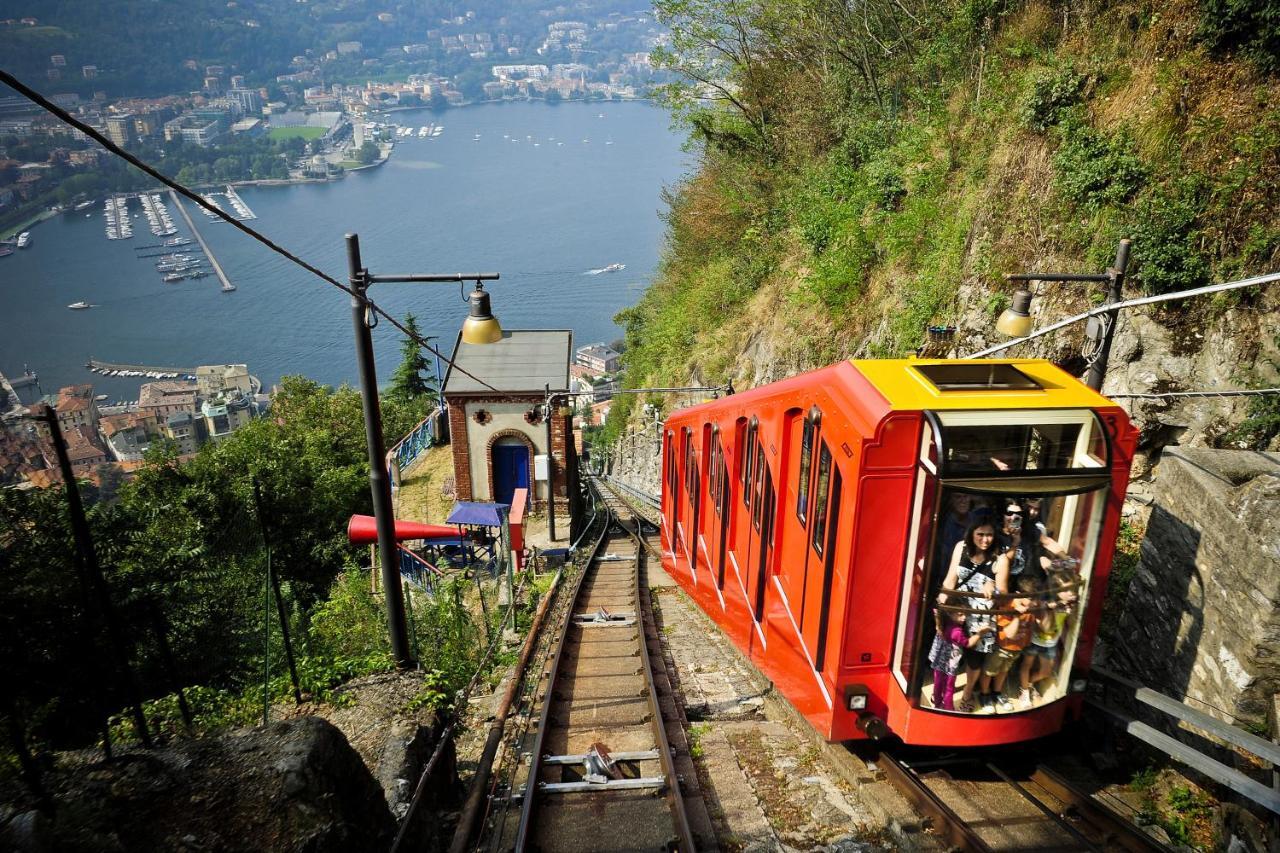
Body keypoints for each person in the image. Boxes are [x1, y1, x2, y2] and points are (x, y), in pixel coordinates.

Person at [937, 521, 999, 713]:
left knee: (974, 660)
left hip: (980, 616)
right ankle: (943, 693)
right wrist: (943, 598)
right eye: (980, 534)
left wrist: (993, 586)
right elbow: (951, 577)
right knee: (951, 655)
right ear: (971, 533)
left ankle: (966, 694)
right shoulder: (961, 547)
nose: (985, 539)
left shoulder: (998, 555)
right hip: (959, 612)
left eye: (989, 534)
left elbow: (1003, 588)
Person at [983, 577, 1038, 712]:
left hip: (1016, 649)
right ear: (1019, 595)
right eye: (1031, 599)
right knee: (989, 671)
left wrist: (1025, 644)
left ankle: (997, 693)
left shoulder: (1029, 610)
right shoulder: (1008, 606)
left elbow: (1029, 629)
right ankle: (984, 694)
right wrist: (1017, 616)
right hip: (1001, 648)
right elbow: (1009, 633)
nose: (1035, 603)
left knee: (1004, 671)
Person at [1019, 585, 1078, 703]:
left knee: (1046, 672)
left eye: (1072, 591)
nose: (1071, 594)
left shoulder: (1067, 606)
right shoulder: (1046, 603)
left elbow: (1072, 623)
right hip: (1035, 641)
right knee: (1027, 665)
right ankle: (1024, 691)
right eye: (1066, 591)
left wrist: (1071, 611)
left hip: (1050, 643)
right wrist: (1051, 610)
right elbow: (1044, 628)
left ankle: (1028, 683)